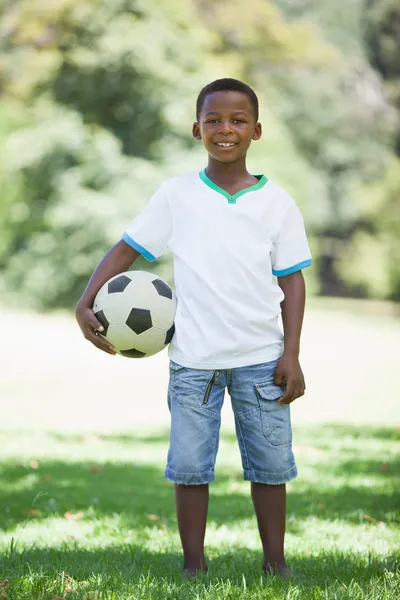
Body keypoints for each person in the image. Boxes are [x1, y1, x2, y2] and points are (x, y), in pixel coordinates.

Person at [75, 78, 312, 578]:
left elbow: (292, 282)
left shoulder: (277, 203)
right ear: (196, 129)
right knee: (189, 468)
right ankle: (193, 564)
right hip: (192, 364)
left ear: (257, 130)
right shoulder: (176, 195)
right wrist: (85, 300)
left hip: (262, 360)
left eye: (238, 120)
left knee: (270, 469)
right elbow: (127, 249)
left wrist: (290, 354)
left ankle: (276, 563)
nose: (225, 129)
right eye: (213, 120)